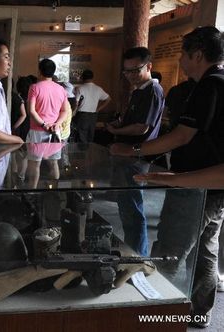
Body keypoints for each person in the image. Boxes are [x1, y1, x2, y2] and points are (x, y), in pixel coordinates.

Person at [109, 26, 224, 328]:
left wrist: (133, 150)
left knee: (169, 254)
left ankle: (157, 319)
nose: (181, 62)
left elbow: (181, 136)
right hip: (213, 189)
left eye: (184, 55)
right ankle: (199, 313)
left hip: (197, 185)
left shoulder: (207, 86)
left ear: (197, 55)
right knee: (203, 253)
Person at [106, 46, 165, 257]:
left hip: (136, 156)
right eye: (127, 71)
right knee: (128, 207)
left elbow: (142, 127)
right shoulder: (140, 90)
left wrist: (117, 129)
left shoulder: (152, 91)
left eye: (135, 70)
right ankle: (133, 251)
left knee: (133, 209)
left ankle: (138, 256)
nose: (130, 75)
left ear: (149, 66)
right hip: (128, 156)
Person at [26, 59, 70, 143]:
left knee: (35, 155)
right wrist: (57, 124)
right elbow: (65, 111)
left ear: (39, 71)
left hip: (37, 131)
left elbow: (31, 111)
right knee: (53, 156)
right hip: (55, 131)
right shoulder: (61, 89)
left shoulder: (34, 88)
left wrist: (44, 124)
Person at [73, 69, 111, 143]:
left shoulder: (80, 88)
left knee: (81, 138)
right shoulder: (98, 89)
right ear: (92, 77)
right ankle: (89, 154)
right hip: (93, 116)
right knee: (90, 137)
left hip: (82, 116)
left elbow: (76, 104)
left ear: (82, 78)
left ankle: (82, 154)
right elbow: (108, 99)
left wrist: (73, 113)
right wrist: (98, 109)